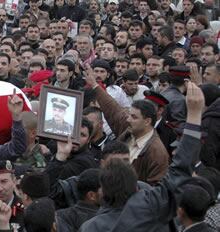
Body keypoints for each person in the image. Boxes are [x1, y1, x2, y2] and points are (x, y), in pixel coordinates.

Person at [79, 81, 205, 231]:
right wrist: (195, 115)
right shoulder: (153, 210)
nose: (128, 119)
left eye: (133, 116)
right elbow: (181, 170)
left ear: (102, 191)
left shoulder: (91, 227)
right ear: (137, 187)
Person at [85, 64, 169, 185]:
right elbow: (112, 109)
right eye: (129, 115)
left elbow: (155, 190)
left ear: (147, 121)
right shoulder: (129, 130)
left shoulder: (157, 152)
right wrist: (94, 85)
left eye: (134, 117)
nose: (128, 119)